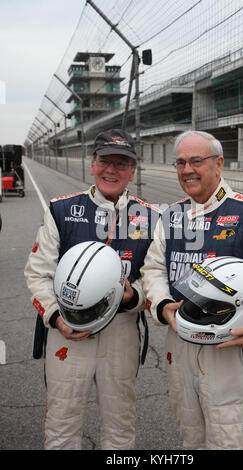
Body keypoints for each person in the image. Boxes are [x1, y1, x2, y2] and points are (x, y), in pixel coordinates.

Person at [141, 129, 243, 450]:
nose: (187, 170)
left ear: (219, 164)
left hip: (230, 349)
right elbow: (153, 268)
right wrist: (161, 305)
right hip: (180, 341)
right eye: (180, 163)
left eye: (196, 161)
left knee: (228, 440)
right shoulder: (170, 215)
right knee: (191, 435)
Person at [24, 129, 160, 450]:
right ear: (92, 164)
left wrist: (135, 296)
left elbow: (156, 277)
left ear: (133, 171)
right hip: (67, 328)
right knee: (62, 422)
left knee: (120, 424)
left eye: (121, 163)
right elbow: (38, 273)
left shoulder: (153, 218)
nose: (111, 170)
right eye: (104, 161)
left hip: (122, 331)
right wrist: (57, 318)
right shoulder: (61, 209)